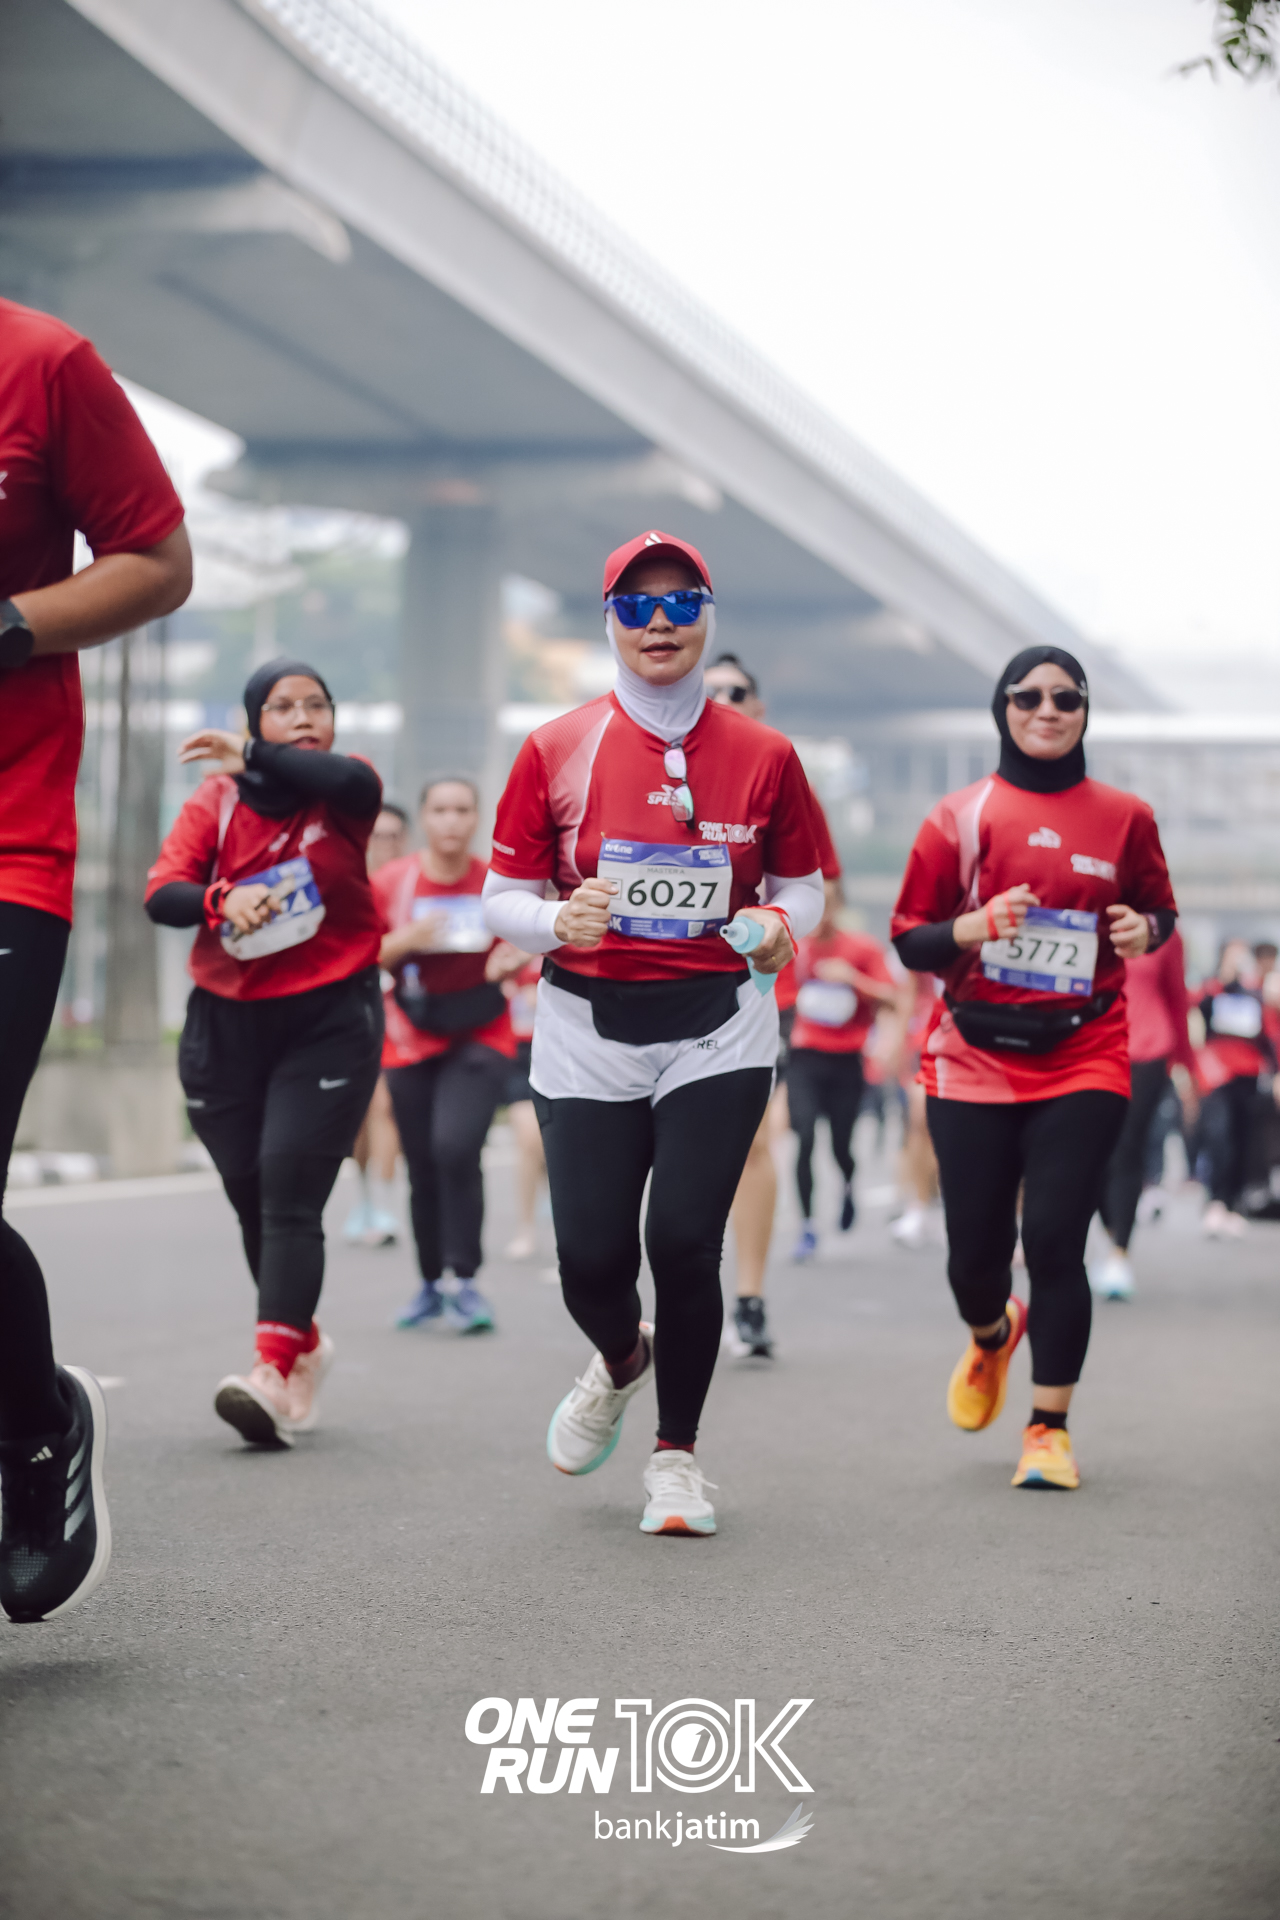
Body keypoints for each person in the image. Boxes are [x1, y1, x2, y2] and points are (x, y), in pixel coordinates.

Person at [482, 530, 822, 1536]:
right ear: (609, 623)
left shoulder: (765, 755)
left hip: (720, 1024)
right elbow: (500, 896)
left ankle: (676, 1461)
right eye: (636, 606)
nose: (659, 622)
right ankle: (622, 1358)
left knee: (681, 1238)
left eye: (680, 603)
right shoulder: (555, 747)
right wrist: (558, 920)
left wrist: (778, 921)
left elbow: (802, 882)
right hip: (586, 1026)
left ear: (708, 614)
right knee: (590, 1261)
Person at [0, 296, 192, 1623]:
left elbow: (158, 562)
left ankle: (32, 1435)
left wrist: (11, 625)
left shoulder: (41, 362)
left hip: (7, 845)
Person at [892, 645, 1177, 1492]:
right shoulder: (959, 815)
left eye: (1066, 698)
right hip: (973, 1055)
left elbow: (1160, 911)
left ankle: (1049, 1429)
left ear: (1085, 712)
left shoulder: (1126, 816)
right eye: (1028, 696)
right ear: (1003, 708)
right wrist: (973, 927)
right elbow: (910, 939)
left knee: (1055, 1239)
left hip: (1085, 1051)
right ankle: (992, 1333)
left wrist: (1144, 931)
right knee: (974, 1261)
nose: (1047, 711)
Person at [145, 659, 384, 1446]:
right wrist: (223, 898)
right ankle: (302, 1342)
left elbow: (344, 776)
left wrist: (251, 751)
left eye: (318, 704)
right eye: (283, 707)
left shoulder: (345, 793)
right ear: (255, 719)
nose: (304, 716)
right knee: (251, 1193)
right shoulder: (214, 802)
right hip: (227, 1024)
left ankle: (272, 1370)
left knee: (288, 1192)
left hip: (330, 1018)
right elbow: (163, 894)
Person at [703, 651, 843, 1356]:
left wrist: (769, 920)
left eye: (736, 691)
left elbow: (822, 891)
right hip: (654, 986)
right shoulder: (643, 770)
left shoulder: (779, 778)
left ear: (758, 706)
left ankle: (749, 1299)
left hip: (756, 989)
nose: (722, 700)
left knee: (754, 1141)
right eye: (710, 691)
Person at [373, 779, 522, 1333]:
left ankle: (467, 1279)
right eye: (440, 809)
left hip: (481, 1033)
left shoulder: (497, 883)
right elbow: (361, 955)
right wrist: (407, 938)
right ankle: (431, 1282)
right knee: (423, 1162)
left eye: (462, 809)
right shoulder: (393, 882)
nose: (452, 820)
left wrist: (511, 960)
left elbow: (530, 943)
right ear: (424, 818)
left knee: (455, 1147)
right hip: (412, 1034)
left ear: (478, 818)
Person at [787, 893, 898, 1259]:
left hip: (846, 1061)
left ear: (838, 908)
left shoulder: (861, 948)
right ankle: (807, 1226)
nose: (820, 916)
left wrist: (852, 978)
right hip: (804, 1058)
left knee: (840, 1146)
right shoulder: (795, 949)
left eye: (828, 906)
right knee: (804, 1137)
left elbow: (892, 997)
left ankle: (848, 1184)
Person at [1092, 927, 1197, 1296]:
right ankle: (1111, 1234)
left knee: (1126, 1147)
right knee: (1093, 1151)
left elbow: (1177, 998)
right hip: (1091, 1049)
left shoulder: (1164, 932)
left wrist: (1187, 1067)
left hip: (1147, 1049)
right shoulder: (1089, 917)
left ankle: (1119, 1254)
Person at [345, 803, 409, 1247]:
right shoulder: (352, 887)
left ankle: (385, 1205)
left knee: (386, 1107)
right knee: (359, 1115)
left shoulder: (414, 886)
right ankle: (364, 1198)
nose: (385, 844)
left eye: (393, 835)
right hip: (353, 1012)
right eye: (377, 835)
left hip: (405, 1015)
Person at [1193, 939, 1273, 1237]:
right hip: (1217, 1075)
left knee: (1243, 1139)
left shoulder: (1256, 993)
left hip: (1249, 1075)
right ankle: (1216, 1201)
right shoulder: (1211, 990)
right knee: (1219, 1136)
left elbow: (1268, 1034)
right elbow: (1196, 1009)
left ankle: (1233, 1203)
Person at [889, 970, 942, 1249]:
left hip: (976, 1032)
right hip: (927, 1039)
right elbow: (907, 993)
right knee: (919, 1120)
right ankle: (918, 1207)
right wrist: (896, 1043)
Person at [502, 955, 547, 1260]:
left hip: (558, 1049)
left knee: (553, 1143)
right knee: (529, 1138)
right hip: (517, 1054)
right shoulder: (505, 945)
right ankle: (526, 1228)